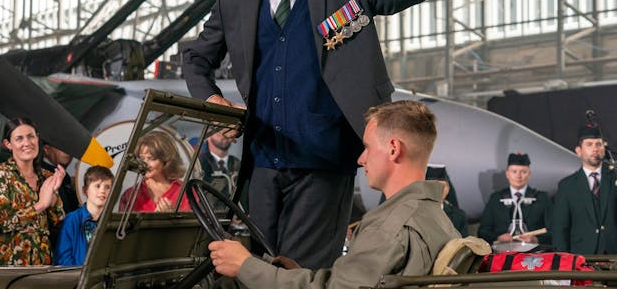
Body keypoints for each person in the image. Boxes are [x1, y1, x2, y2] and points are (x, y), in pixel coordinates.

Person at [182, 0, 438, 268]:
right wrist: (213, 101)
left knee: (303, 273)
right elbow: (195, 57)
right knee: (255, 269)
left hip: (325, 164)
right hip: (262, 166)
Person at [208, 100, 459, 288]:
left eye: (368, 148)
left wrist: (245, 265)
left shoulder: (390, 228)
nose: (361, 159)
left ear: (393, 149)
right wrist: (293, 273)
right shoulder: (435, 218)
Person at [0, 117, 66, 265]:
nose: (27, 143)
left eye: (31, 136)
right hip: (9, 262)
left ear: (37, 138)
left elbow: (59, 222)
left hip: (42, 261)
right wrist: (40, 205)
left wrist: (53, 195)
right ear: (8, 144)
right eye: (19, 139)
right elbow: (3, 223)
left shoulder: (46, 176)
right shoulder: (0, 174)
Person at [551, 124, 617, 254]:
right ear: (578, 150)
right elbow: (560, 229)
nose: (595, 149)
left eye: (599, 144)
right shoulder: (567, 186)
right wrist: (565, 262)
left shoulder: (614, 178)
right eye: (589, 144)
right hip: (582, 258)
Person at [478, 153, 552, 246]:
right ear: (507, 174)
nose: (518, 176)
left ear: (529, 174)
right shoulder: (496, 198)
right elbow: (483, 232)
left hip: (534, 253)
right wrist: (498, 237)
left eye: (523, 172)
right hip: (502, 253)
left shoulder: (541, 198)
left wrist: (536, 239)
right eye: (514, 171)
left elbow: (554, 230)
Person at [118, 130, 191, 212]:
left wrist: (171, 217)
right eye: (142, 158)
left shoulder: (185, 191)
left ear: (165, 159)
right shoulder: (130, 195)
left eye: (150, 158)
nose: (145, 164)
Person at [55, 165, 114, 265]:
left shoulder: (113, 221)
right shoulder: (71, 219)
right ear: (85, 190)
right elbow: (63, 259)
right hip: (77, 278)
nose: (102, 191)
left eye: (107, 187)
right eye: (97, 186)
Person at [199, 130, 241, 210]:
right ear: (207, 135)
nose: (224, 134)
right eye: (219, 130)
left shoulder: (237, 163)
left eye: (227, 130)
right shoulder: (199, 164)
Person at [427, 166, 468, 237]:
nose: (439, 189)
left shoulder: (458, 216)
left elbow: (464, 244)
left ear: (448, 189)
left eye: (443, 185)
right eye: (434, 185)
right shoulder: (415, 214)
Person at [41, 142, 79, 214]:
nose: (67, 150)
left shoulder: (64, 175)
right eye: (61, 146)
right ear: (46, 149)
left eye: (70, 146)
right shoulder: (43, 174)